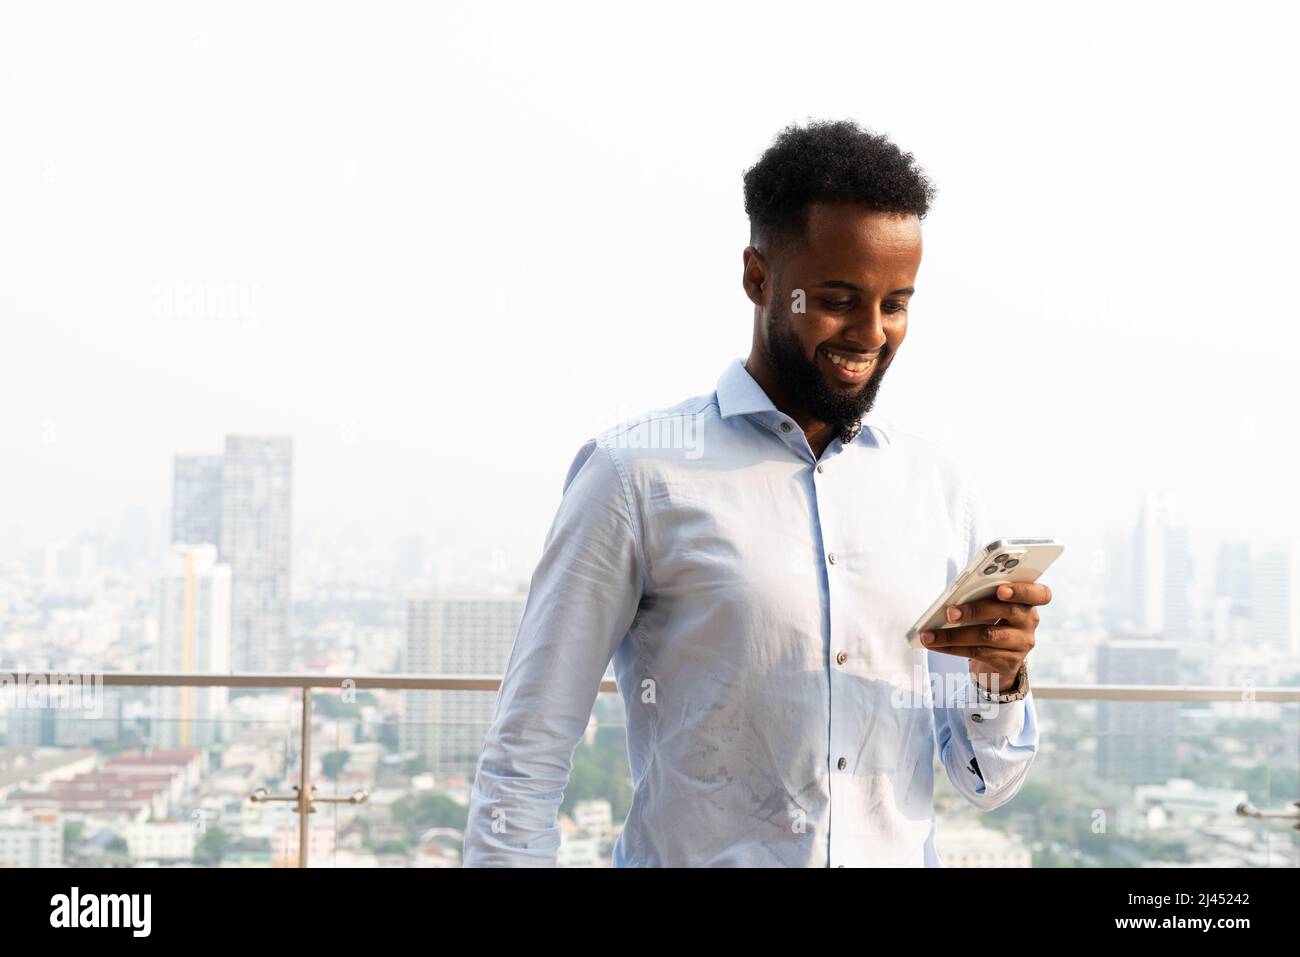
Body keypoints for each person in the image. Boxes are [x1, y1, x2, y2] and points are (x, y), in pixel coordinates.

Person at [463, 119, 1052, 867]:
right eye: (839, 299)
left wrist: (998, 681)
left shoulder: (937, 488)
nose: (872, 333)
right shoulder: (634, 475)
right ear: (758, 277)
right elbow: (526, 756)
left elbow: (986, 779)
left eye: (896, 303)